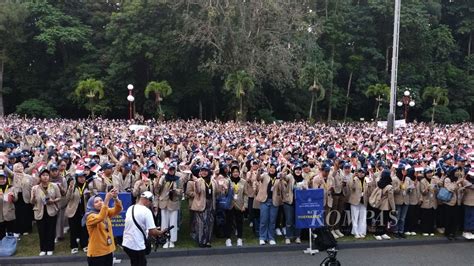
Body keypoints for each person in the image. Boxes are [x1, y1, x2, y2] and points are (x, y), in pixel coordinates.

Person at [122, 191, 163, 266]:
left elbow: (135, 224)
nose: (150, 204)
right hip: (137, 245)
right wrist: (161, 232)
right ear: (147, 200)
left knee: (134, 262)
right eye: (151, 202)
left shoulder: (131, 208)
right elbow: (152, 232)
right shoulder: (146, 211)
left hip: (127, 243)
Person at [84, 188, 122, 266]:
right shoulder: (90, 216)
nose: (100, 203)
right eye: (96, 202)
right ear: (91, 205)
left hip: (108, 250)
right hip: (97, 254)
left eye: (101, 200)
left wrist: (115, 198)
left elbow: (118, 209)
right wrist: (106, 200)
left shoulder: (105, 211)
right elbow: (100, 217)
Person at [30, 167, 61, 256]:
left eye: (47, 175)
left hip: (51, 211)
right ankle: (43, 248)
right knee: (41, 231)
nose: (45, 177)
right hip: (40, 211)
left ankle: (50, 248)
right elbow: (31, 202)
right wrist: (33, 198)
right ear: (40, 177)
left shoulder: (54, 186)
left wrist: (53, 201)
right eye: (43, 175)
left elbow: (59, 197)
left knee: (51, 230)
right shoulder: (35, 188)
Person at [65, 171, 90, 254]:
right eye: (80, 177)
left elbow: (93, 196)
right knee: (73, 229)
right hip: (73, 211)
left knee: (84, 229)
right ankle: (74, 246)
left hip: (84, 210)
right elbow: (68, 198)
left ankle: (84, 245)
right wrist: (70, 188)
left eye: (83, 177)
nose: (82, 179)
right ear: (77, 178)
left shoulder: (88, 186)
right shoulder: (73, 186)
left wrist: (89, 194)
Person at [0, 170, 15, 239]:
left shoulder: (11, 188)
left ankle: (10, 246)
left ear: (6, 179)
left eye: (3, 179)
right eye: (0, 179)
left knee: (10, 231)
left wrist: (13, 196)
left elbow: (16, 199)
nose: (2, 180)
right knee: (1, 232)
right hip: (0, 215)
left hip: (9, 212)